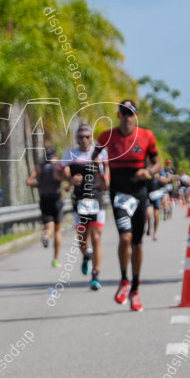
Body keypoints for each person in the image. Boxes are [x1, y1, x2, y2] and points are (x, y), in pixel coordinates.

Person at [92, 99, 160, 312]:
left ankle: (136, 289)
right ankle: (124, 280)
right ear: (119, 115)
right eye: (124, 113)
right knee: (125, 237)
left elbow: (157, 163)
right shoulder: (106, 136)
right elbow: (94, 158)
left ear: (136, 115)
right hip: (119, 194)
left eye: (131, 113)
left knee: (137, 243)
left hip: (139, 193)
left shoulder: (146, 135)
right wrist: (101, 176)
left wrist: (148, 172)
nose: (127, 117)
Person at [62, 124, 109, 290]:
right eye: (81, 136)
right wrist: (69, 180)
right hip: (79, 200)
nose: (84, 139)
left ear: (92, 137)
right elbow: (59, 172)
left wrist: (104, 176)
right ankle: (86, 256)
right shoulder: (70, 154)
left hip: (96, 199)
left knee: (96, 237)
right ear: (76, 138)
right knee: (83, 240)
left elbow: (106, 178)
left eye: (87, 136)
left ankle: (96, 275)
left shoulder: (100, 153)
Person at [27, 146, 64, 267]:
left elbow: (29, 181)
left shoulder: (39, 167)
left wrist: (38, 186)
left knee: (49, 227)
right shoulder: (58, 167)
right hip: (56, 199)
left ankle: (46, 235)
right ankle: (56, 259)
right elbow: (66, 178)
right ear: (55, 155)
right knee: (58, 230)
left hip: (44, 199)